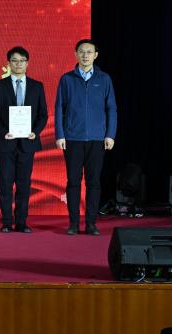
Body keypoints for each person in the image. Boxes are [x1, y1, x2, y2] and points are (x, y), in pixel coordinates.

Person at [55, 39, 117, 236]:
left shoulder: (104, 79)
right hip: (72, 138)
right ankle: (73, 223)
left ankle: (91, 223)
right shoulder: (67, 79)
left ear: (95, 55)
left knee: (94, 182)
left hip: (98, 139)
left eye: (89, 52)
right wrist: (60, 135)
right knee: (73, 181)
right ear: (76, 54)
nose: (85, 55)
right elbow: (59, 108)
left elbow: (111, 108)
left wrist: (110, 134)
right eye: (81, 51)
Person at [0, 46, 48, 233]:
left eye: (22, 61)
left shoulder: (37, 86)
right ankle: (6, 222)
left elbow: (43, 114)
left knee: (24, 184)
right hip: (5, 143)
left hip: (27, 143)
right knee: (5, 184)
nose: (18, 64)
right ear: (8, 63)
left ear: (27, 63)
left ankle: (21, 222)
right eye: (14, 60)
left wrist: (35, 132)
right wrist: (3, 131)